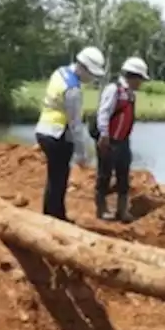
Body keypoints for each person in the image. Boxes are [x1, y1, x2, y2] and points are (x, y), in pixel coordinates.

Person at [34, 46, 106, 220]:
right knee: (59, 178)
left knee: (54, 176)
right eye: (92, 74)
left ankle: (51, 213)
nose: (92, 78)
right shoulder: (73, 90)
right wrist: (82, 156)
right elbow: (76, 126)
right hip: (57, 134)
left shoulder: (60, 73)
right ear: (84, 68)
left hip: (43, 130)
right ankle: (55, 217)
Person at [95, 57, 149, 222]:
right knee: (104, 175)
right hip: (109, 140)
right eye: (140, 79)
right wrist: (103, 135)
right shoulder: (114, 90)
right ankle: (102, 209)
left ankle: (122, 210)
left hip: (123, 141)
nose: (141, 83)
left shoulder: (131, 94)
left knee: (123, 176)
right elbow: (103, 113)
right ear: (133, 77)